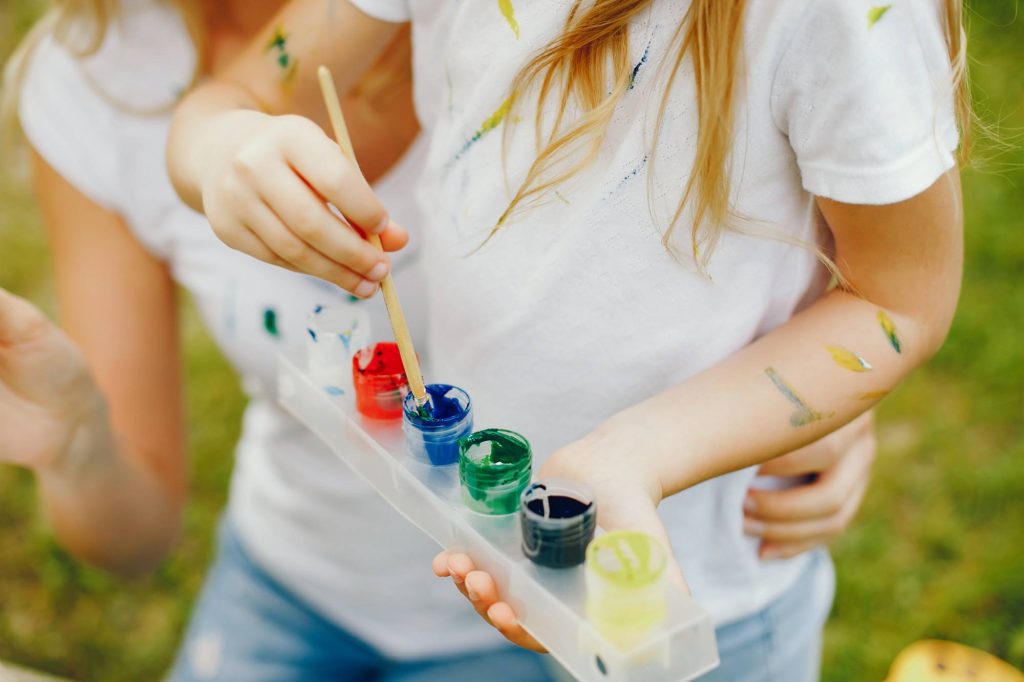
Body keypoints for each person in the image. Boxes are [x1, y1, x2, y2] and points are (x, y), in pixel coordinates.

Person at [2, 0, 878, 680]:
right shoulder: (94, 84)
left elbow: (799, 228)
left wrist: (805, 391)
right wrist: (78, 437)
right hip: (298, 574)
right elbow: (136, 539)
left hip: (547, 591)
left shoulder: (538, 36)